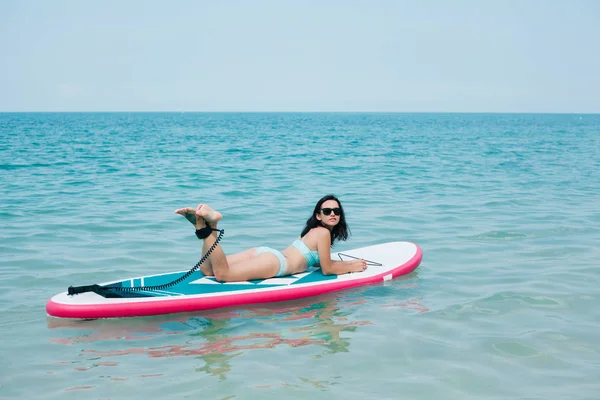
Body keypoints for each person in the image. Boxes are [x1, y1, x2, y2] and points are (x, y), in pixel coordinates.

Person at [174, 195, 368, 282]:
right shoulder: (324, 233)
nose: (333, 213)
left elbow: (321, 263)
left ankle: (207, 225)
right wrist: (352, 266)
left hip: (265, 253)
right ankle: (210, 224)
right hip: (276, 263)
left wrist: (340, 263)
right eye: (327, 211)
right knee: (222, 274)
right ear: (319, 215)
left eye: (336, 211)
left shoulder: (312, 231)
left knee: (206, 269)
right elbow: (327, 270)